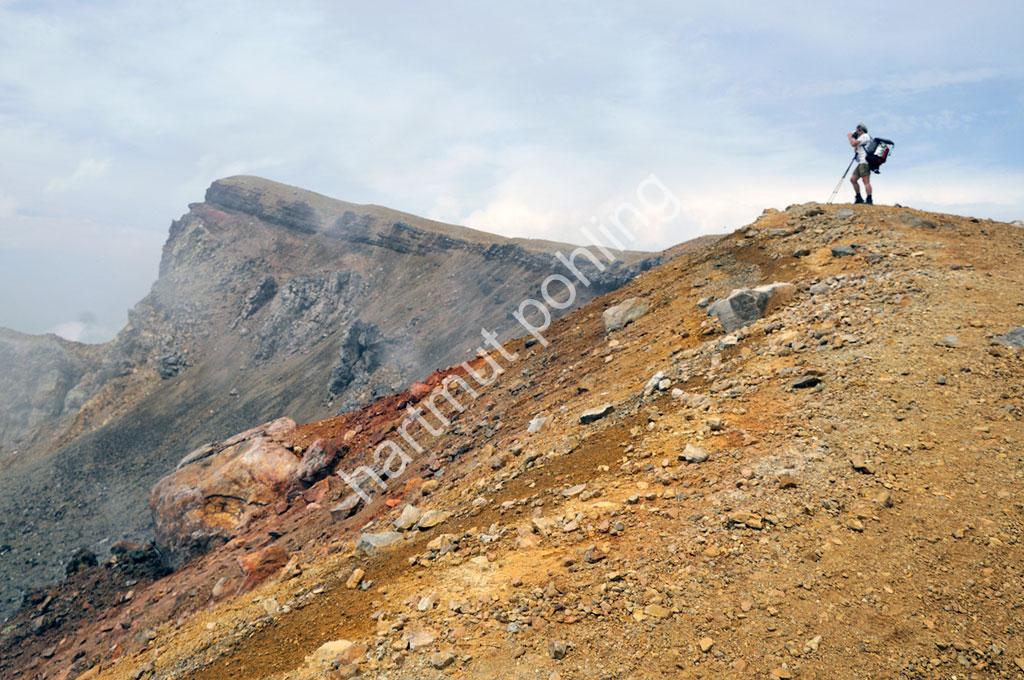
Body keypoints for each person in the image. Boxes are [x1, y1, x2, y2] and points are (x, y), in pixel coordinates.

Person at [848, 123, 873, 204]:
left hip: (865, 162)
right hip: (861, 162)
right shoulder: (862, 138)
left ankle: (869, 199)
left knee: (866, 181)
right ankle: (859, 197)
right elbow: (855, 149)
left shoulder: (865, 136)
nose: (856, 133)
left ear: (860, 130)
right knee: (853, 179)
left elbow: (853, 144)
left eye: (857, 131)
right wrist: (855, 141)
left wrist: (850, 137)